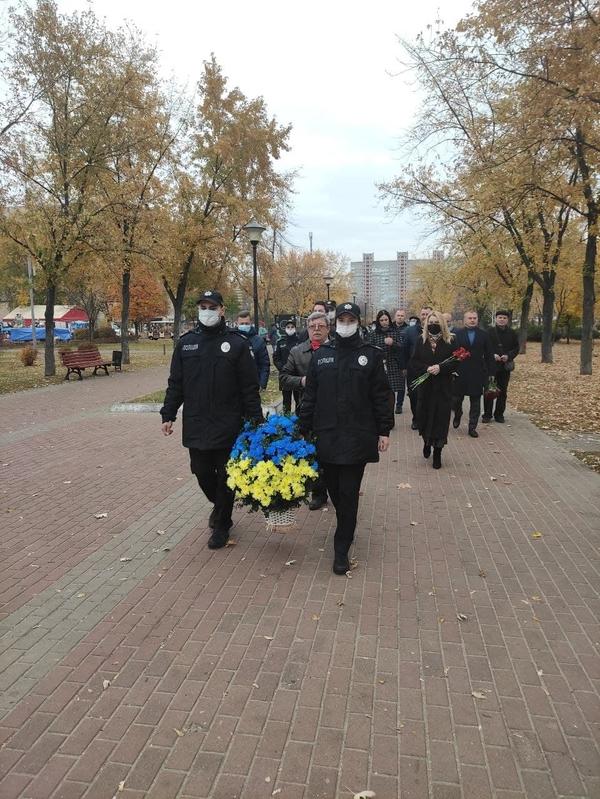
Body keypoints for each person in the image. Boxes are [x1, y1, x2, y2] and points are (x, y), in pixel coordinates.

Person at [160, 290, 263, 549]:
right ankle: (220, 506)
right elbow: (176, 383)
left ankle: (222, 524)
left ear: (221, 309)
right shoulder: (186, 344)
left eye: (211, 306)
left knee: (227, 475)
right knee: (202, 471)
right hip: (197, 422)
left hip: (229, 423)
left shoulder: (237, 344)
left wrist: (256, 421)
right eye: (203, 306)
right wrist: (168, 413)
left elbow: (248, 387)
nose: (206, 310)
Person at [299, 302, 393, 574]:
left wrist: (384, 430)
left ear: (358, 322)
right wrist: (303, 428)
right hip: (327, 435)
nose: (346, 322)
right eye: (342, 318)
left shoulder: (370, 355)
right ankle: (345, 520)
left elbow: (381, 395)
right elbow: (311, 396)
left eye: (351, 318)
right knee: (333, 488)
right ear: (335, 321)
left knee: (349, 492)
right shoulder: (322, 355)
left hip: (357, 436)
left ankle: (342, 548)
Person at [279, 310, 331, 510]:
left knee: (332, 452)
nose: (316, 330)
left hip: (334, 411)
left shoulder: (337, 349)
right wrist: (302, 381)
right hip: (308, 410)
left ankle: (335, 487)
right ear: (307, 329)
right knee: (312, 452)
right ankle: (318, 493)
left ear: (328, 328)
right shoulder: (297, 351)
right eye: (312, 326)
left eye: (321, 326)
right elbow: (283, 378)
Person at [409, 311, 455, 469]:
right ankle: (426, 442)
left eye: (436, 322)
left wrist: (441, 367)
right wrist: (426, 368)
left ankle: (438, 452)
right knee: (425, 417)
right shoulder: (420, 341)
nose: (433, 325)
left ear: (442, 323)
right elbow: (414, 362)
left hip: (443, 388)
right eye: (430, 322)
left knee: (441, 420)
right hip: (426, 388)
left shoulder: (450, 340)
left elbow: (456, 361)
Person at [451, 310, 495, 437]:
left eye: (474, 318)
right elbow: (451, 353)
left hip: (477, 372)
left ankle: (472, 427)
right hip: (460, 372)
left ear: (477, 319)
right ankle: (458, 415)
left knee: (475, 401)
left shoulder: (484, 335)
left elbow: (489, 354)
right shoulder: (457, 334)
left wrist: (491, 372)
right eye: (469, 318)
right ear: (464, 320)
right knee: (456, 400)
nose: (472, 320)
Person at [368, 309, 408, 414]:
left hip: (393, 365)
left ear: (389, 320)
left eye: (386, 319)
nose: (384, 322)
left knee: (393, 390)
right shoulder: (373, 333)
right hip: (379, 365)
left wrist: (393, 343)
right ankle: (383, 412)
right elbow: (369, 349)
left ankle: (396, 407)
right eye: (381, 320)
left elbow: (402, 347)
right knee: (382, 391)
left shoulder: (394, 331)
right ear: (378, 321)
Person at [482, 310, 519, 423]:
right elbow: (484, 347)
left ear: (507, 320)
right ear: (496, 319)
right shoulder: (489, 332)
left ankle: (499, 414)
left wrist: (508, 356)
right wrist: (492, 355)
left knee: (503, 391)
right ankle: (487, 415)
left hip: (504, 368)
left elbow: (516, 348)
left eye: (504, 318)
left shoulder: (512, 333)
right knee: (490, 390)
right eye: (499, 317)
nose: (502, 319)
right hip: (491, 368)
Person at [404, 306, 433, 429]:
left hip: (431, 370)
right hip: (414, 370)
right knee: (414, 395)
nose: (425, 316)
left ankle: (427, 419)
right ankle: (416, 418)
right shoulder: (410, 331)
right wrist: (403, 367)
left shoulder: (438, 330)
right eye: (423, 314)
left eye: (428, 314)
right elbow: (404, 350)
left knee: (429, 395)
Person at [236, 310, 270, 389]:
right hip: (235, 386)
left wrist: (262, 384)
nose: (244, 325)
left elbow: (264, 364)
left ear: (251, 323)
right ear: (237, 323)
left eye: (246, 323)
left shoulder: (259, 341)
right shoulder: (231, 339)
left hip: (253, 385)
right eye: (242, 324)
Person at [273, 319, 300, 413]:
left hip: (297, 375)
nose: (290, 329)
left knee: (299, 400)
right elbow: (276, 358)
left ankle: (299, 420)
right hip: (285, 375)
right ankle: (287, 421)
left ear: (295, 329)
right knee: (286, 401)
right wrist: (282, 368)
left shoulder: (300, 341)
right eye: (288, 327)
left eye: (292, 327)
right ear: (285, 329)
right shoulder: (280, 342)